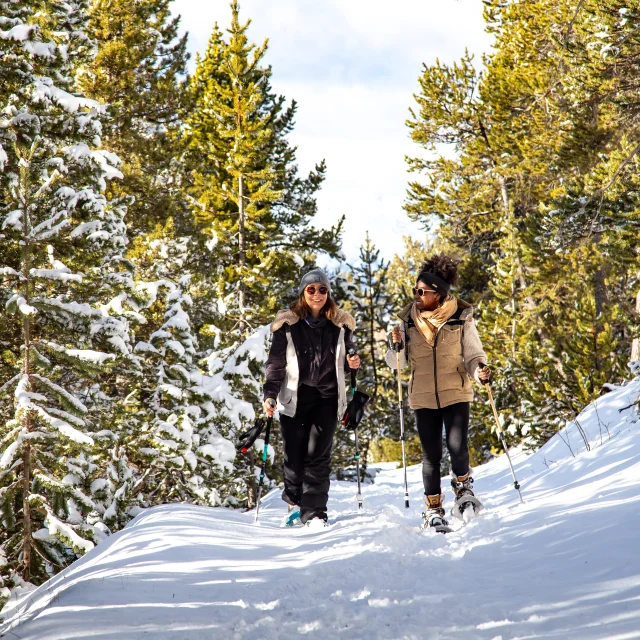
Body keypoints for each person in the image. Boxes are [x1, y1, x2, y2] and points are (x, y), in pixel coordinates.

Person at [386, 254, 491, 531]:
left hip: (455, 391)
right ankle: (433, 509)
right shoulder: (408, 322)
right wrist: (393, 347)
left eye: (422, 292)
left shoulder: (460, 317)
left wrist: (480, 369)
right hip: (423, 397)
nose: (417, 296)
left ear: (438, 294)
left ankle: (464, 493)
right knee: (431, 455)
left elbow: (473, 354)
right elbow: (397, 363)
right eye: (415, 291)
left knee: (457, 448)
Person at [263, 269, 360, 526]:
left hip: (327, 398)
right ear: (302, 292)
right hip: (295, 397)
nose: (317, 294)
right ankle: (295, 503)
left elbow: (350, 357)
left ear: (328, 294)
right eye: (311, 289)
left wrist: (353, 362)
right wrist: (270, 394)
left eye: (322, 289)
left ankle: (315, 512)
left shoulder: (340, 324)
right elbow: (275, 364)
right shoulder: (287, 325)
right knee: (294, 458)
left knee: (318, 456)